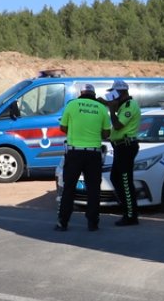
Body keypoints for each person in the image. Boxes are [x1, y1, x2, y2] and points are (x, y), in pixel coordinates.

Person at [55, 83, 111, 232]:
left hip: (74, 153)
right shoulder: (101, 108)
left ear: (81, 93)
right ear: (93, 94)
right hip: (93, 153)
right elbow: (107, 134)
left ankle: (63, 222)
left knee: (69, 188)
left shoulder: (72, 105)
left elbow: (63, 127)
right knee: (93, 189)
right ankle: (93, 223)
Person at [104, 80, 142, 226]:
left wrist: (112, 110)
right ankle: (127, 209)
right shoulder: (122, 105)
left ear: (120, 92)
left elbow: (118, 125)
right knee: (115, 178)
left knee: (125, 181)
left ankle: (131, 215)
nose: (112, 97)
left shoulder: (129, 106)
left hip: (126, 147)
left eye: (114, 93)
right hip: (120, 147)